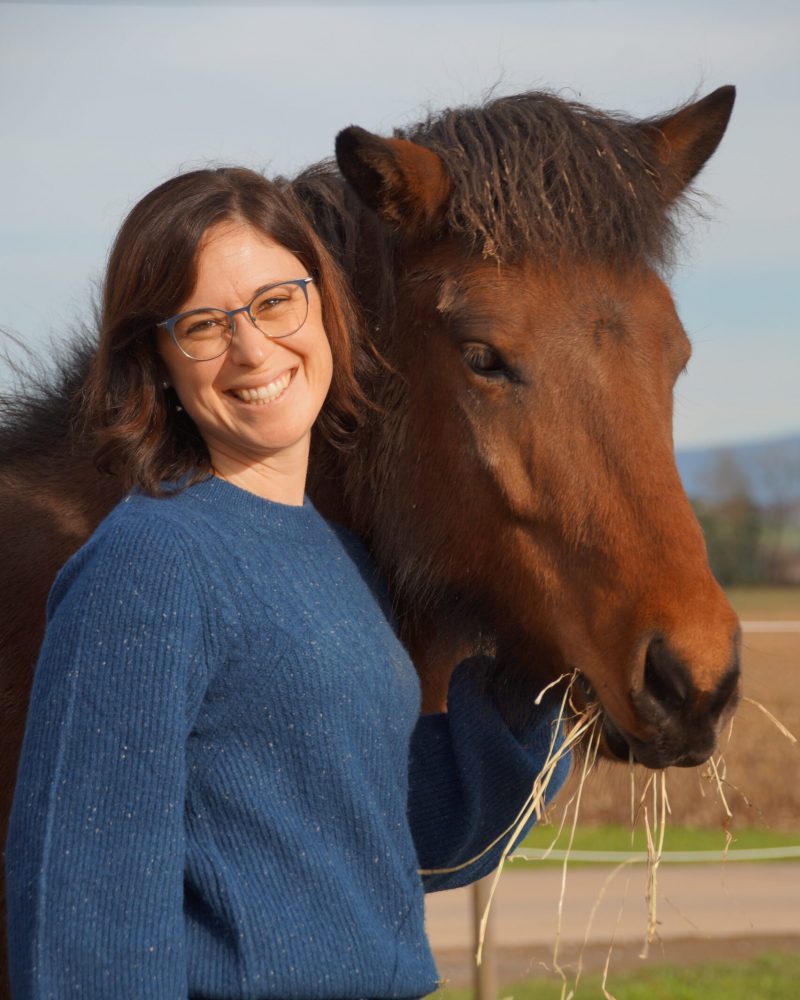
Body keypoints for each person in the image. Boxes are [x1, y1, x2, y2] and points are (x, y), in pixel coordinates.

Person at [5, 167, 571, 1000]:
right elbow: (86, 899)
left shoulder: (338, 557)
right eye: (203, 324)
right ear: (158, 361)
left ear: (327, 308)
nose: (253, 349)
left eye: (276, 303)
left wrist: (540, 673)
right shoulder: (151, 563)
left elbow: (383, 829)